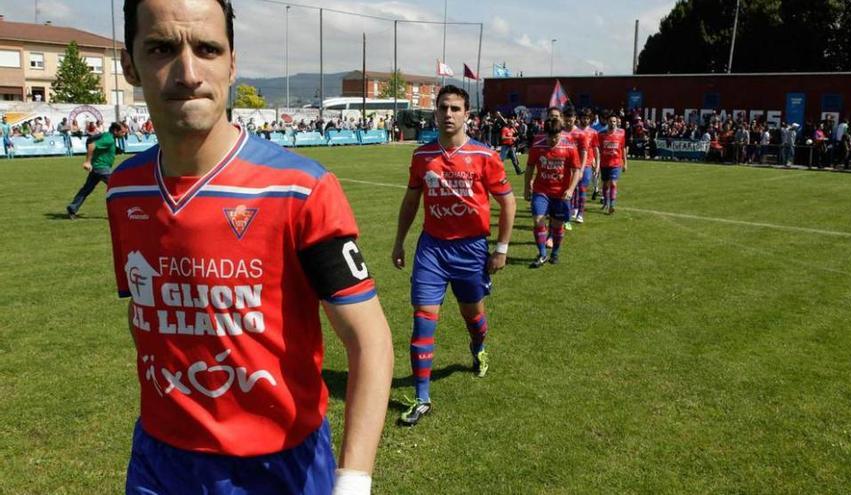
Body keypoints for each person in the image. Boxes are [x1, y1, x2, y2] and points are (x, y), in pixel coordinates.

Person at [111, 1, 393, 493]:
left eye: (207, 49)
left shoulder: (301, 190)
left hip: (278, 466)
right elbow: (151, 316)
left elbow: (369, 341)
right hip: (160, 462)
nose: (188, 72)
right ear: (129, 64)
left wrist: (354, 481)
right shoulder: (125, 189)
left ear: (232, 63)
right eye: (161, 48)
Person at [392, 85, 515, 426]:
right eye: (443, 108)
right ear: (435, 113)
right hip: (432, 247)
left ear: (467, 115)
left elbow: (507, 202)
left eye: (456, 108)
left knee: (473, 317)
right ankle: (421, 397)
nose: (449, 114)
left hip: (471, 249)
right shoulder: (421, 156)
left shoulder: (485, 156)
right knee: (422, 319)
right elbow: (411, 201)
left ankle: (478, 348)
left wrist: (501, 248)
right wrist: (399, 240)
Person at [524, 118, 581, 268]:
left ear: (561, 133)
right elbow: (529, 167)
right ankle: (542, 254)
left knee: (557, 226)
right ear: (545, 134)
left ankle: (555, 253)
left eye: (555, 137)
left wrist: (570, 189)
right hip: (541, 191)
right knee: (538, 221)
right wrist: (526, 188)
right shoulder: (537, 146)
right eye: (549, 136)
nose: (552, 140)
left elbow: (576, 170)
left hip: (561, 194)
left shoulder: (570, 147)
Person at [66, 122, 127, 219]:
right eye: (123, 132)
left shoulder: (108, 136)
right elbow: (92, 146)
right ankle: (125, 212)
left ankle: (72, 208)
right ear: (116, 131)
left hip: (96, 168)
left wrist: (115, 149)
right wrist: (87, 162)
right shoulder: (109, 139)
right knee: (118, 188)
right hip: (102, 169)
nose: (124, 134)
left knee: (86, 189)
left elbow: (102, 147)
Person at [598, 115, 628, 214]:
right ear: (607, 122)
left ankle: (612, 205)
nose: (612, 123)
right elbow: (598, 149)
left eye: (614, 121)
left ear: (617, 122)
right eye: (611, 121)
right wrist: (597, 162)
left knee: (613, 183)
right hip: (604, 164)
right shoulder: (601, 134)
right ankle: (605, 203)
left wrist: (625, 162)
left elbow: (623, 148)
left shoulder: (621, 133)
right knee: (605, 185)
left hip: (616, 163)